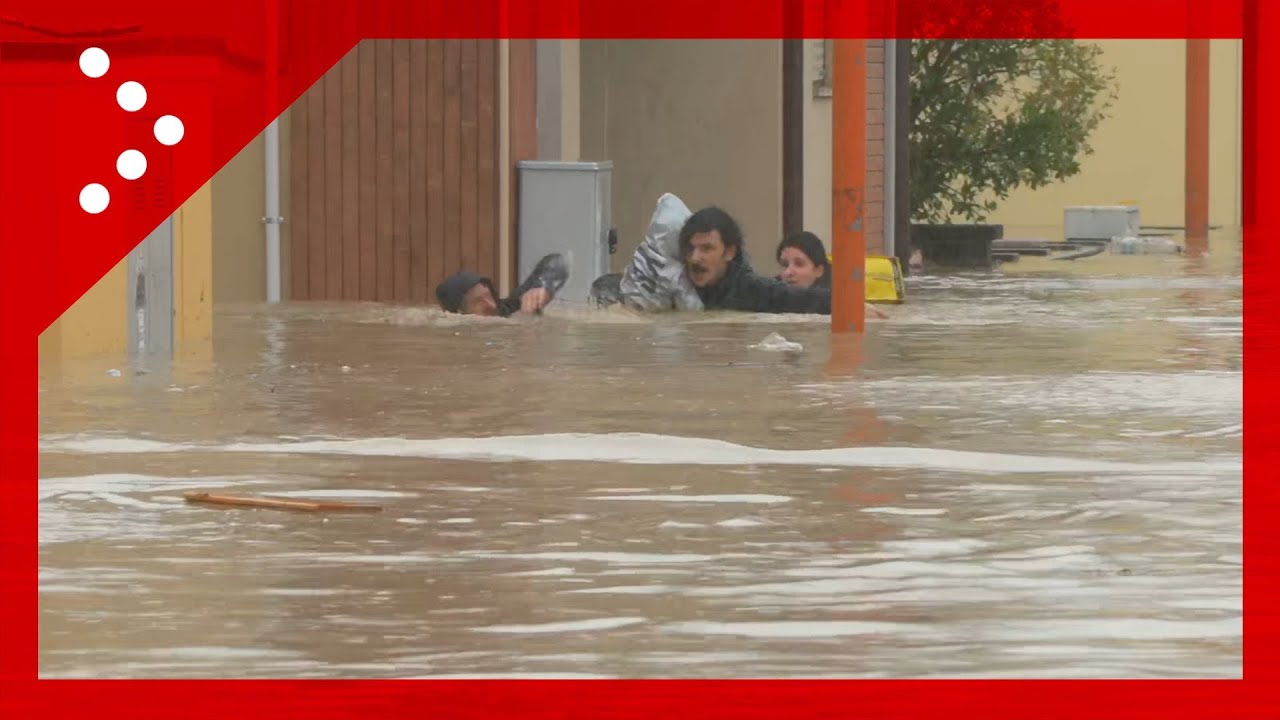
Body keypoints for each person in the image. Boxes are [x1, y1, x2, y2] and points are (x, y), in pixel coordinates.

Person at [681, 206, 831, 314]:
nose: (694, 258)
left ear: (729, 252)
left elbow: (810, 300)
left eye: (706, 248)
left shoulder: (752, 291)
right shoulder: (677, 285)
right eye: (690, 249)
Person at [435, 253, 569, 317]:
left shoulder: (511, 308)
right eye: (479, 302)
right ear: (460, 313)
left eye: (489, 296)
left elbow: (558, 262)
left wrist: (542, 286)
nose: (492, 305)